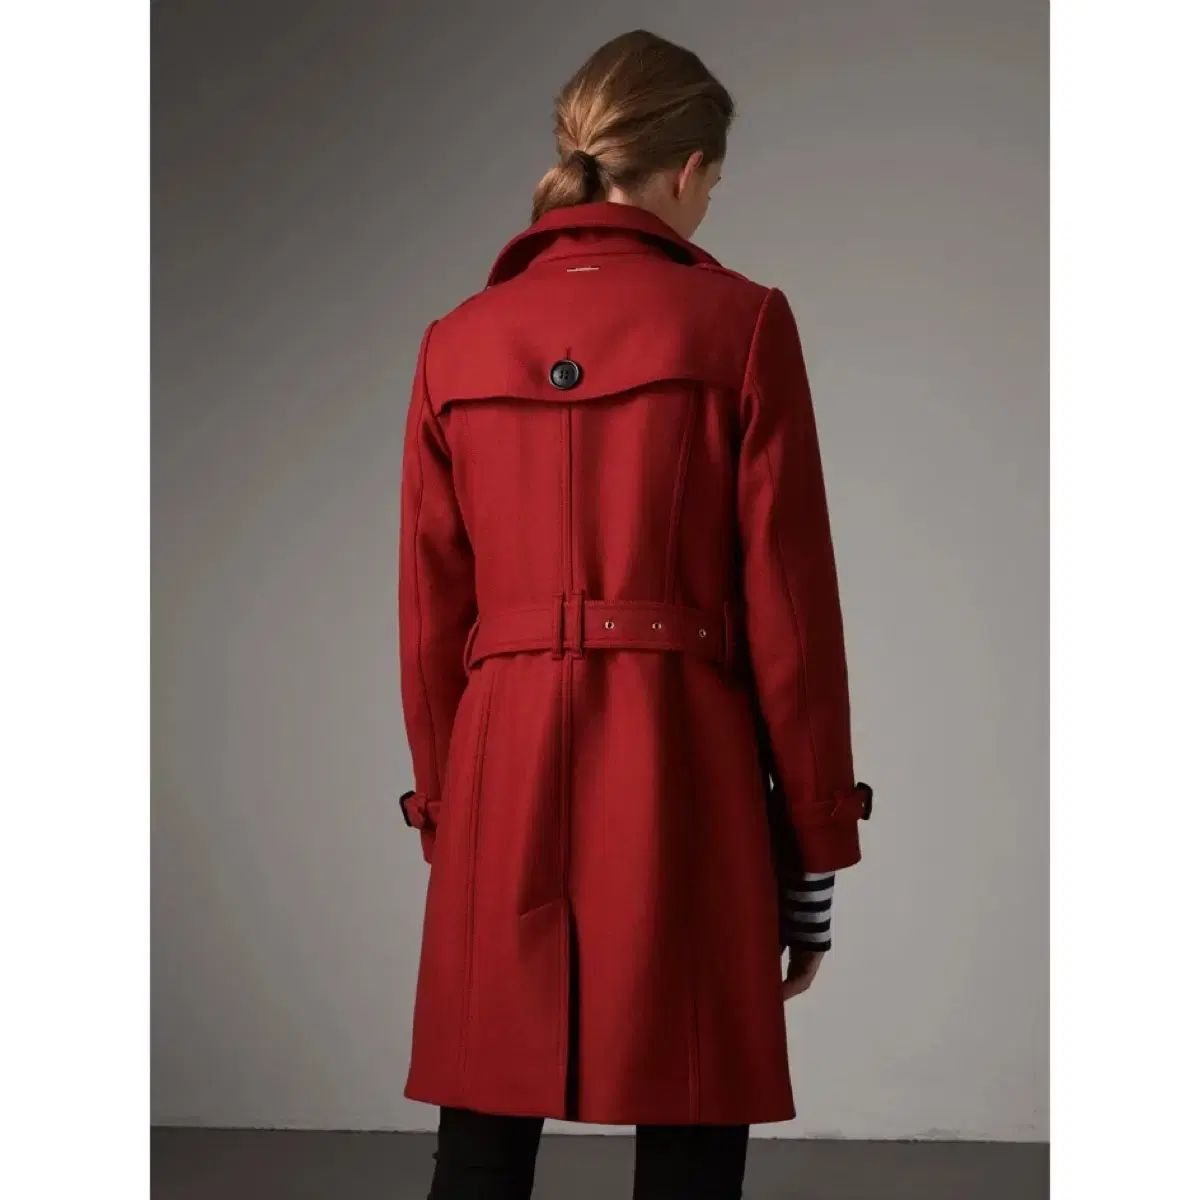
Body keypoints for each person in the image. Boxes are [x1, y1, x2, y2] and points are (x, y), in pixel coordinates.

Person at [396, 29, 873, 1200]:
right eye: (715, 180)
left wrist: (449, 812)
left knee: (485, 1104)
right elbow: (792, 609)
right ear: (688, 170)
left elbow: (428, 612)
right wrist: (813, 851)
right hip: (683, 756)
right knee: (692, 1085)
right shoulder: (742, 323)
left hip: (502, 759)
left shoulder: (457, 341)